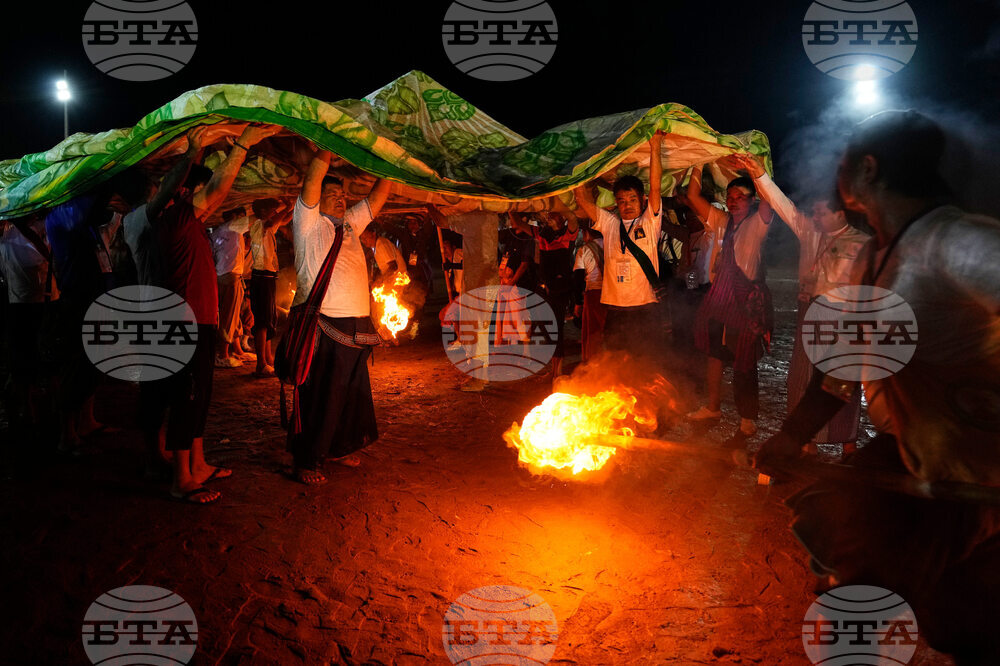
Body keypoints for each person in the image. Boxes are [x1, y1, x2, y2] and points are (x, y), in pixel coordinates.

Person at [756, 110, 1000, 664]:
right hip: (914, 460)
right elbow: (841, 368)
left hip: (977, 475)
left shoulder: (955, 240)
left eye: (842, 162)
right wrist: (790, 437)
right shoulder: (872, 256)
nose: (834, 175)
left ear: (868, 168)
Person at [154, 123, 280, 503]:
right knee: (186, 399)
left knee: (200, 396)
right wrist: (240, 145)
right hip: (185, 323)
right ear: (180, 191)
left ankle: (199, 463)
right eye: (192, 187)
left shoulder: (187, 222)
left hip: (201, 322)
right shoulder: (170, 218)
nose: (199, 193)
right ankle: (181, 479)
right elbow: (217, 189)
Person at [732, 153, 873, 459]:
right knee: (802, 377)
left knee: (842, 382)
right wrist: (758, 174)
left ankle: (847, 442)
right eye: (815, 213)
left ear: (840, 214)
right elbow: (782, 204)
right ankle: (805, 441)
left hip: (843, 319)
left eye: (822, 213)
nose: (816, 218)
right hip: (809, 313)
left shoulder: (862, 243)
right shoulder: (808, 231)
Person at [288, 149, 391, 485]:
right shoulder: (308, 225)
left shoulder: (350, 225)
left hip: (358, 325)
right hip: (327, 324)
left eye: (343, 196)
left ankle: (339, 447)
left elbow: (377, 197)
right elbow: (313, 179)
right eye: (332, 195)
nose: (340, 200)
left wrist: (391, 165)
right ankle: (309, 460)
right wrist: (324, 150)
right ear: (316, 200)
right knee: (324, 396)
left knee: (351, 395)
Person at [45, 169, 147, 453]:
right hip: (79, 299)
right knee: (76, 363)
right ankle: (67, 435)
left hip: (96, 298)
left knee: (93, 362)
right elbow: (92, 207)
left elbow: (111, 220)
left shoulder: (87, 225)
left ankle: (87, 421)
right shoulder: (61, 216)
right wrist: (110, 180)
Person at [683, 162, 775, 440]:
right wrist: (700, 162)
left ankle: (747, 419)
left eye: (740, 198)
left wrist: (754, 167)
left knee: (743, 361)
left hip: (743, 305)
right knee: (714, 355)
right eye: (730, 197)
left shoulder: (759, 223)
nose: (733, 202)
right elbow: (693, 197)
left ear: (752, 201)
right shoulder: (721, 222)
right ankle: (713, 408)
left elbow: (770, 199)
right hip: (718, 300)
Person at [573, 131, 664, 356]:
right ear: (616, 203)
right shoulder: (609, 223)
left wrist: (655, 147)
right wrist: (577, 164)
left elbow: (655, 186)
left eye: (633, 199)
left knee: (644, 362)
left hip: (644, 305)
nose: (627, 205)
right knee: (614, 362)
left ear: (642, 200)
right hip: (614, 306)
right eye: (622, 201)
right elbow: (582, 200)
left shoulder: (650, 221)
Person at [427, 205, 500, 392]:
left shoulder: (473, 218)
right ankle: (482, 376)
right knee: (480, 332)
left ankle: (479, 378)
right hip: (489, 280)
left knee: (476, 333)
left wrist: (429, 205)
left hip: (479, 282)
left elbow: (442, 222)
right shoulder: (492, 215)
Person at [0, 213, 58, 433]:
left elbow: (50, 256)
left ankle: (53, 406)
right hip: (19, 302)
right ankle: (27, 405)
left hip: (46, 298)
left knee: (47, 354)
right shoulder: (7, 228)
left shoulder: (47, 223)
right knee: (22, 354)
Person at [533, 206, 579, 377]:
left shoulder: (568, 235)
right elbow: (518, 224)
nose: (550, 217)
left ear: (562, 219)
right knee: (546, 328)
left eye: (554, 215)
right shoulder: (543, 234)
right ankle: (554, 369)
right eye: (549, 215)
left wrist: (560, 204)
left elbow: (573, 219)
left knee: (556, 328)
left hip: (560, 289)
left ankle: (557, 371)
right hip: (545, 288)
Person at [248, 198, 290, 377]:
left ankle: (267, 359)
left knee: (269, 320)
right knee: (262, 321)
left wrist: (290, 207)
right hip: (261, 277)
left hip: (268, 277)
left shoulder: (268, 229)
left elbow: (283, 220)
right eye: (272, 209)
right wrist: (285, 206)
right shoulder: (259, 225)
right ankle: (261, 364)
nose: (275, 212)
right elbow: (275, 219)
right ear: (263, 212)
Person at [212, 207, 250, 368]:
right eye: (241, 215)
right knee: (229, 316)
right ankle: (223, 354)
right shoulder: (234, 226)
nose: (243, 218)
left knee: (231, 315)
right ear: (234, 215)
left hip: (221, 275)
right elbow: (261, 219)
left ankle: (237, 350)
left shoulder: (217, 232)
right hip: (231, 277)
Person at [572, 223, 605, 362]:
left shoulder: (584, 250)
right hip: (613, 293)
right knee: (608, 330)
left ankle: (593, 365)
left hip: (593, 294)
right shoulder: (611, 245)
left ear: (587, 233)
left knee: (592, 332)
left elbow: (578, 279)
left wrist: (577, 303)